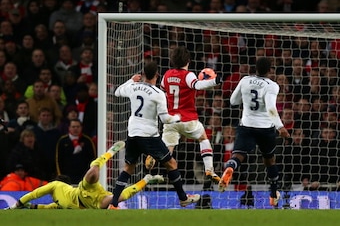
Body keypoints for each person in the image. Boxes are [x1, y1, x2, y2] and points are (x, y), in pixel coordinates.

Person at [109, 61, 200, 209]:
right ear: (157, 75)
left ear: (143, 74)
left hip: (132, 133)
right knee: (171, 164)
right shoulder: (158, 94)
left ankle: (113, 205)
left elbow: (117, 91)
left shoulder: (132, 87)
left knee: (128, 168)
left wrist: (131, 80)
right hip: (149, 136)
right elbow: (164, 119)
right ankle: (183, 198)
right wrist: (178, 117)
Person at [218, 57, 290, 207]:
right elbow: (271, 107)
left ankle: (230, 167)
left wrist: (246, 99)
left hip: (247, 125)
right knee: (269, 160)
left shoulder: (245, 80)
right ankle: (273, 194)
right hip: (265, 129)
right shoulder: (272, 86)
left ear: (255, 68)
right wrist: (280, 127)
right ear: (270, 70)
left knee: (238, 155)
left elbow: (233, 101)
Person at [6, 141, 164, 209]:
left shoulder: (56, 186)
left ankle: (108, 154)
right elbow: (42, 207)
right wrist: (27, 207)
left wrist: (16, 204)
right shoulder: (58, 204)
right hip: (94, 204)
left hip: (84, 191)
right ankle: (146, 180)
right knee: (119, 197)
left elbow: (33, 194)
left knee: (93, 172)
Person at [148, 46, 222, 184]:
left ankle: (154, 158)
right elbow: (197, 86)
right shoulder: (189, 75)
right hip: (188, 119)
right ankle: (209, 169)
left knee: (167, 149)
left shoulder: (167, 75)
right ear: (188, 60)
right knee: (203, 138)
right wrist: (214, 81)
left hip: (170, 120)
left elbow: (163, 92)